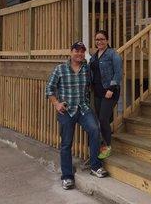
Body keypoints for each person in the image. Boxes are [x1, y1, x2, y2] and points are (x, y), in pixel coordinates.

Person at [45, 41, 108, 190]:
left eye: (82, 51)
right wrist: (56, 104)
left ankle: (95, 166)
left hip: (83, 108)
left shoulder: (86, 69)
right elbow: (49, 89)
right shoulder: (60, 69)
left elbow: (94, 82)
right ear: (71, 52)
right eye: (76, 51)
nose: (79, 53)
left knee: (94, 130)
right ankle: (67, 176)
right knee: (66, 143)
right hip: (66, 110)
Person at [89, 30, 122, 160]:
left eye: (102, 39)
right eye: (97, 39)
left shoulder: (113, 54)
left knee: (103, 118)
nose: (99, 42)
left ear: (107, 40)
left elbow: (118, 73)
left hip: (109, 92)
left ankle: (108, 145)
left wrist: (112, 88)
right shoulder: (94, 56)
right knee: (101, 119)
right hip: (97, 92)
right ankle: (102, 143)